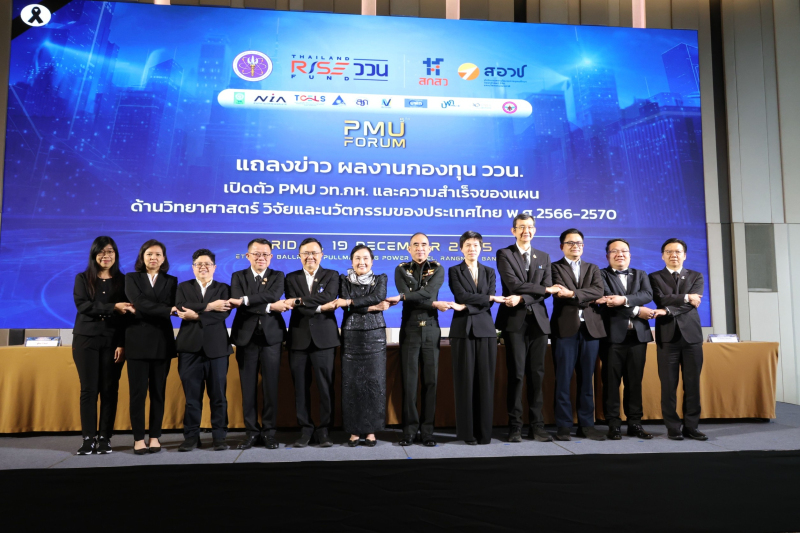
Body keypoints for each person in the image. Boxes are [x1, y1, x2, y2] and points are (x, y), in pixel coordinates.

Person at [495, 214, 560, 443]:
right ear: (513, 230)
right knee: (516, 375)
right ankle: (515, 426)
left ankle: (537, 426)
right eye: (522, 227)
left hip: (538, 323)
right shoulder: (504, 254)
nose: (526, 231)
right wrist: (543, 290)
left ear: (535, 230)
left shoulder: (543, 256)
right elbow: (513, 284)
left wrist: (524, 298)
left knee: (537, 375)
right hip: (514, 322)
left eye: (530, 227)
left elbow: (548, 288)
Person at [386, 232, 450, 447]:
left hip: (431, 329)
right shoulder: (401, 269)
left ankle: (428, 431)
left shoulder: (438, 268)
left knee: (430, 382)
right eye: (415, 245)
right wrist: (429, 301)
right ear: (409, 248)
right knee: (409, 382)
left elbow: (427, 293)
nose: (420, 248)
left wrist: (405, 296)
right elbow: (421, 298)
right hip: (410, 330)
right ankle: (409, 431)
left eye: (424, 245)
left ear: (429, 248)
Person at [71, 236, 133, 455]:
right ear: (94, 254)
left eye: (110, 251)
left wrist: (122, 343)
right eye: (101, 252)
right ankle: (88, 438)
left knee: (109, 389)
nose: (106, 256)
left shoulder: (124, 280)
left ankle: (105, 438)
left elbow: (127, 316)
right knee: (89, 389)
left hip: (113, 341)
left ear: (115, 254)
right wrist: (112, 307)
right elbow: (83, 306)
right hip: (85, 339)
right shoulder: (82, 278)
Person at [228, 238, 289, 450]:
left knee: (271, 387)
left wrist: (246, 300)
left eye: (265, 254)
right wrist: (269, 307)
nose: (261, 258)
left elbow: (273, 295)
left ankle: (269, 432)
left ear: (271, 257)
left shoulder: (278, 276)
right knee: (248, 388)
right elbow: (236, 299)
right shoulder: (238, 276)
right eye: (256, 254)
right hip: (246, 338)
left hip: (271, 338)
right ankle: (251, 432)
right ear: (248, 256)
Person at [448, 231, 506, 445]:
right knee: (465, 383)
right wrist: (488, 298)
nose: (472, 249)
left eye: (475, 245)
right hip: (462, 330)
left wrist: (467, 307)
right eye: (468, 245)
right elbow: (461, 295)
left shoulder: (489, 271)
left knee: (485, 382)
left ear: (481, 248)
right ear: (461, 248)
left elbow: (488, 302)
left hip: (486, 330)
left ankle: (484, 433)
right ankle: (467, 433)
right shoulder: (454, 270)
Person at [596, 239, 656, 440]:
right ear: (607, 256)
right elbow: (607, 299)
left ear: (630, 255)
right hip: (612, 337)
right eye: (614, 251)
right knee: (611, 383)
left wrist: (623, 300)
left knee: (634, 382)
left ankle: (635, 423)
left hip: (637, 337)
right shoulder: (600, 274)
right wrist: (637, 310)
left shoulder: (640, 274)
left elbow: (647, 294)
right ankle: (613, 424)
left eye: (624, 251)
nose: (619, 254)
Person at [550, 228, 607, 441]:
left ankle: (586, 425)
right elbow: (560, 293)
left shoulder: (592, 268)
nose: (576, 246)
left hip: (590, 330)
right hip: (565, 329)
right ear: (562, 246)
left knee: (587, 379)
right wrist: (585, 296)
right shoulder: (554, 268)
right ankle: (564, 425)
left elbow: (598, 291)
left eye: (579, 243)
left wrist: (573, 293)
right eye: (571, 243)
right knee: (563, 379)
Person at [174, 249, 233, 452]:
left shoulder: (223, 288)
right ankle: (191, 437)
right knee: (192, 398)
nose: (203, 267)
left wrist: (197, 315)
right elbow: (182, 307)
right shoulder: (183, 287)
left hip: (217, 350)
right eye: (199, 264)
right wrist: (209, 307)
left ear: (214, 267)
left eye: (207, 264)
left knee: (218, 397)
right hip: (189, 349)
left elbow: (223, 313)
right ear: (193, 267)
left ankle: (219, 437)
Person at [284, 238, 340, 448]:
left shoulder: (332, 275)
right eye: (306, 253)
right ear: (299, 255)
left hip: (324, 339)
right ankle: (306, 429)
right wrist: (319, 307)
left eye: (314, 253)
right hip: (298, 339)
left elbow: (329, 296)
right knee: (300, 387)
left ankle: (324, 430)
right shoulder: (291, 278)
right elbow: (293, 303)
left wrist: (301, 301)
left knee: (325, 387)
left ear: (321, 255)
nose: (310, 257)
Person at [649, 238, 707, 441]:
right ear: (662, 255)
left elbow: (693, 303)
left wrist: (667, 310)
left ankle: (692, 426)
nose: (673, 255)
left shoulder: (696, 276)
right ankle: (673, 427)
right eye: (669, 252)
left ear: (685, 255)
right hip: (667, 337)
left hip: (692, 338)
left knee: (692, 385)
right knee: (668, 385)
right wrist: (686, 297)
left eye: (678, 252)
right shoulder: (654, 277)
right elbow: (660, 299)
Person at [125, 239, 178, 455]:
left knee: (158, 392)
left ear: (163, 258)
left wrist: (143, 309)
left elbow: (146, 306)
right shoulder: (131, 278)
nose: (153, 258)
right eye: (149, 254)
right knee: (137, 394)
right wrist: (165, 310)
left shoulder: (172, 280)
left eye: (157, 254)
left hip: (161, 342)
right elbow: (138, 301)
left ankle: (155, 436)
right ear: (142, 257)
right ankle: (138, 438)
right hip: (136, 342)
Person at [333, 245, 390, 447]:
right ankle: (354, 431)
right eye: (357, 258)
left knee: (374, 382)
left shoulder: (381, 278)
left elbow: (377, 296)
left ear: (372, 261)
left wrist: (351, 302)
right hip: (351, 335)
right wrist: (373, 307)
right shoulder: (343, 280)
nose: (361, 262)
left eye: (366, 258)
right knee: (352, 383)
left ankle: (371, 431)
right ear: (351, 261)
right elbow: (345, 305)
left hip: (376, 335)